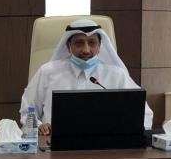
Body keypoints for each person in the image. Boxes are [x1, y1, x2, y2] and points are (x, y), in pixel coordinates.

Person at [20, 18, 153, 134]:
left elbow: (143, 113)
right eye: (79, 43)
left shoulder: (117, 75)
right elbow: (28, 110)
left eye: (92, 43)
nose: (86, 50)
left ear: (99, 46)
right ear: (68, 46)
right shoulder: (47, 72)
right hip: (54, 144)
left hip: (107, 145)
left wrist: (131, 132)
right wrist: (38, 127)